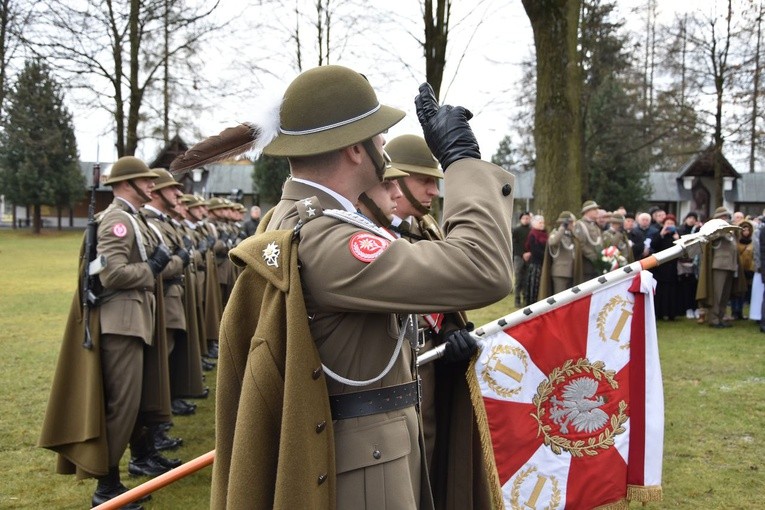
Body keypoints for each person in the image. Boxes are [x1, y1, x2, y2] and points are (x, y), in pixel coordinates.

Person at [204, 65, 513, 510]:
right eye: (379, 135)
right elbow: (484, 268)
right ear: (354, 148)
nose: (385, 146)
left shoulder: (299, 219)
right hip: (368, 475)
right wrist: (462, 161)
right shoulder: (329, 241)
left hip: (372, 454)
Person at [39, 156, 173, 509]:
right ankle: (106, 487)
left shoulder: (129, 218)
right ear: (127, 184)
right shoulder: (118, 219)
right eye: (145, 181)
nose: (151, 186)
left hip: (130, 322)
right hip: (121, 324)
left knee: (131, 406)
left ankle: (112, 480)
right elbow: (113, 275)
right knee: (122, 407)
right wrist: (152, 267)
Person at [696, 207, 744, 328]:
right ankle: (714, 319)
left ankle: (721, 317)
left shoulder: (730, 230)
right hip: (719, 265)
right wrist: (721, 229)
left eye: (726, 216)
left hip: (731, 265)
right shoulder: (714, 230)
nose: (725, 218)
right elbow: (711, 238)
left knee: (725, 294)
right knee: (717, 293)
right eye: (723, 216)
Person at [540, 211, 580, 297]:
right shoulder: (555, 234)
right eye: (571, 223)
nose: (573, 225)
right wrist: (562, 228)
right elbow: (553, 242)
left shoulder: (570, 235)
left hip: (571, 271)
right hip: (560, 273)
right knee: (559, 299)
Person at [650, 214, 681, 320]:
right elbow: (653, 245)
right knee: (660, 291)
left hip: (672, 267)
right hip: (660, 267)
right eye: (667, 223)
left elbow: (682, 249)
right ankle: (659, 313)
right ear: (663, 224)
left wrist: (677, 238)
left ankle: (671, 313)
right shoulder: (658, 233)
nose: (669, 225)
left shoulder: (676, 235)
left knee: (672, 291)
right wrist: (661, 234)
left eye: (672, 224)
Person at [731, 219, 755, 320]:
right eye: (744, 230)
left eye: (748, 230)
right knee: (736, 291)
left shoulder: (752, 243)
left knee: (743, 292)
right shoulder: (736, 242)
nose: (746, 232)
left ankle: (740, 311)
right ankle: (734, 311)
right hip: (738, 270)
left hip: (748, 271)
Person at [573, 200, 603, 281]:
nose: (597, 211)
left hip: (597, 266)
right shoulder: (580, 224)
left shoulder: (595, 226)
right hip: (586, 266)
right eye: (594, 209)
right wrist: (593, 257)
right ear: (587, 211)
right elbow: (580, 244)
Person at [523, 214, 548, 305]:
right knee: (534, 285)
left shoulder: (545, 234)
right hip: (536, 263)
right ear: (534, 224)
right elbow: (534, 250)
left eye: (543, 222)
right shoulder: (533, 234)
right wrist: (545, 256)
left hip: (543, 263)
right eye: (540, 222)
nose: (542, 224)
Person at [511, 211, 532, 306]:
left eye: (527, 218)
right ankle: (517, 299)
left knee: (527, 279)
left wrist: (529, 253)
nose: (526, 220)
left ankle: (526, 299)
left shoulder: (532, 231)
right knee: (518, 278)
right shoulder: (516, 230)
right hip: (518, 257)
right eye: (524, 218)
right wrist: (522, 253)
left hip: (529, 257)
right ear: (521, 219)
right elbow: (514, 244)